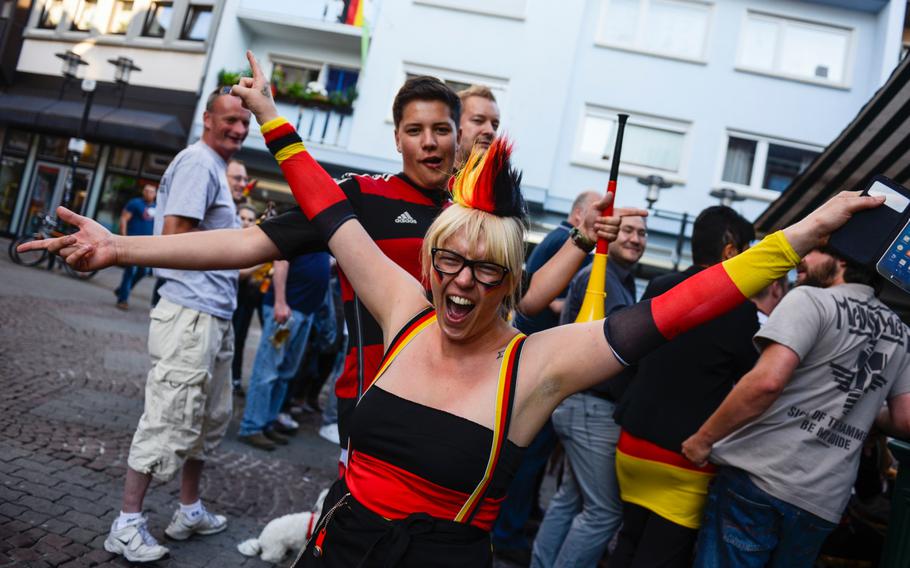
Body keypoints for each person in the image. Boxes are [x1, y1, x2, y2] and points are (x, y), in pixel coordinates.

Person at [22, 50, 883, 565]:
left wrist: (800, 230)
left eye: (483, 269)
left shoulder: (537, 362)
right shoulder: (405, 305)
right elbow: (322, 209)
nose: (462, 282)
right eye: (449, 264)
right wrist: (121, 245)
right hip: (343, 534)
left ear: (509, 277)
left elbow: (679, 308)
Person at [682, 246, 910, 568]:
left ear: (843, 258)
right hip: (824, 501)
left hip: (761, 480)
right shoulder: (900, 332)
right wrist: (864, 405)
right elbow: (905, 419)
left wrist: (703, 440)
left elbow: (766, 383)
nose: (801, 258)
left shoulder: (810, 300)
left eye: (814, 250)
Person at [106, 89, 250, 562]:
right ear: (207, 119)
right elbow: (175, 239)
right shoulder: (197, 163)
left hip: (213, 314)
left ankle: (189, 510)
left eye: (244, 123)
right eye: (229, 119)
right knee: (167, 417)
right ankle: (126, 525)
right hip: (189, 314)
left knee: (207, 420)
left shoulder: (213, 168)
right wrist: (240, 240)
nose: (239, 129)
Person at [607, 206, 757, 568]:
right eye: (749, 249)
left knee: (627, 542)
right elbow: (751, 379)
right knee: (661, 556)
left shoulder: (660, 286)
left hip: (632, 443)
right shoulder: (738, 310)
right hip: (684, 458)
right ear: (729, 250)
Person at [532, 213, 646, 567]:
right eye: (627, 230)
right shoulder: (602, 276)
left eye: (642, 233)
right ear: (611, 234)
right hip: (590, 407)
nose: (635, 239)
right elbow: (620, 347)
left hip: (578, 404)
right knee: (604, 513)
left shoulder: (614, 277)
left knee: (570, 498)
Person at [492, 190, 600, 563]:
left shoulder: (565, 241)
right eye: (596, 212)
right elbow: (531, 294)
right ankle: (507, 530)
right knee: (529, 451)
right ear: (578, 214)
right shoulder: (563, 239)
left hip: (538, 358)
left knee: (533, 454)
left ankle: (517, 521)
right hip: (536, 360)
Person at [238, 251, 330, 451]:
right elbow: (281, 259)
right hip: (286, 310)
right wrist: (280, 302)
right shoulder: (302, 224)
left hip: (304, 311)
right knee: (267, 371)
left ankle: (267, 422)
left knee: (285, 373)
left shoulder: (320, 231)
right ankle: (252, 427)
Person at [232, 203, 266, 396]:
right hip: (226, 300)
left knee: (240, 338)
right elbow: (239, 273)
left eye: (250, 220)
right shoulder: (227, 239)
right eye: (242, 218)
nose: (245, 222)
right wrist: (263, 261)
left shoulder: (251, 243)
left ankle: (235, 378)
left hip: (246, 298)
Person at [114, 183, 157, 310]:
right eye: (146, 190)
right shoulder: (135, 203)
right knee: (130, 271)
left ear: (155, 194)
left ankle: (121, 290)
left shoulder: (157, 207)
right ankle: (123, 300)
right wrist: (124, 237)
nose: (148, 193)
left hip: (147, 246)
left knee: (144, 271)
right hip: (133, 243)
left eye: (151, 191)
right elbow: (124, 219)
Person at [456, 85, 500, 167]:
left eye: (495, 126)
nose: (490, 131)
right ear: (455, 125)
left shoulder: (502, 179)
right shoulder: (431, 176)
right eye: (478, 120)